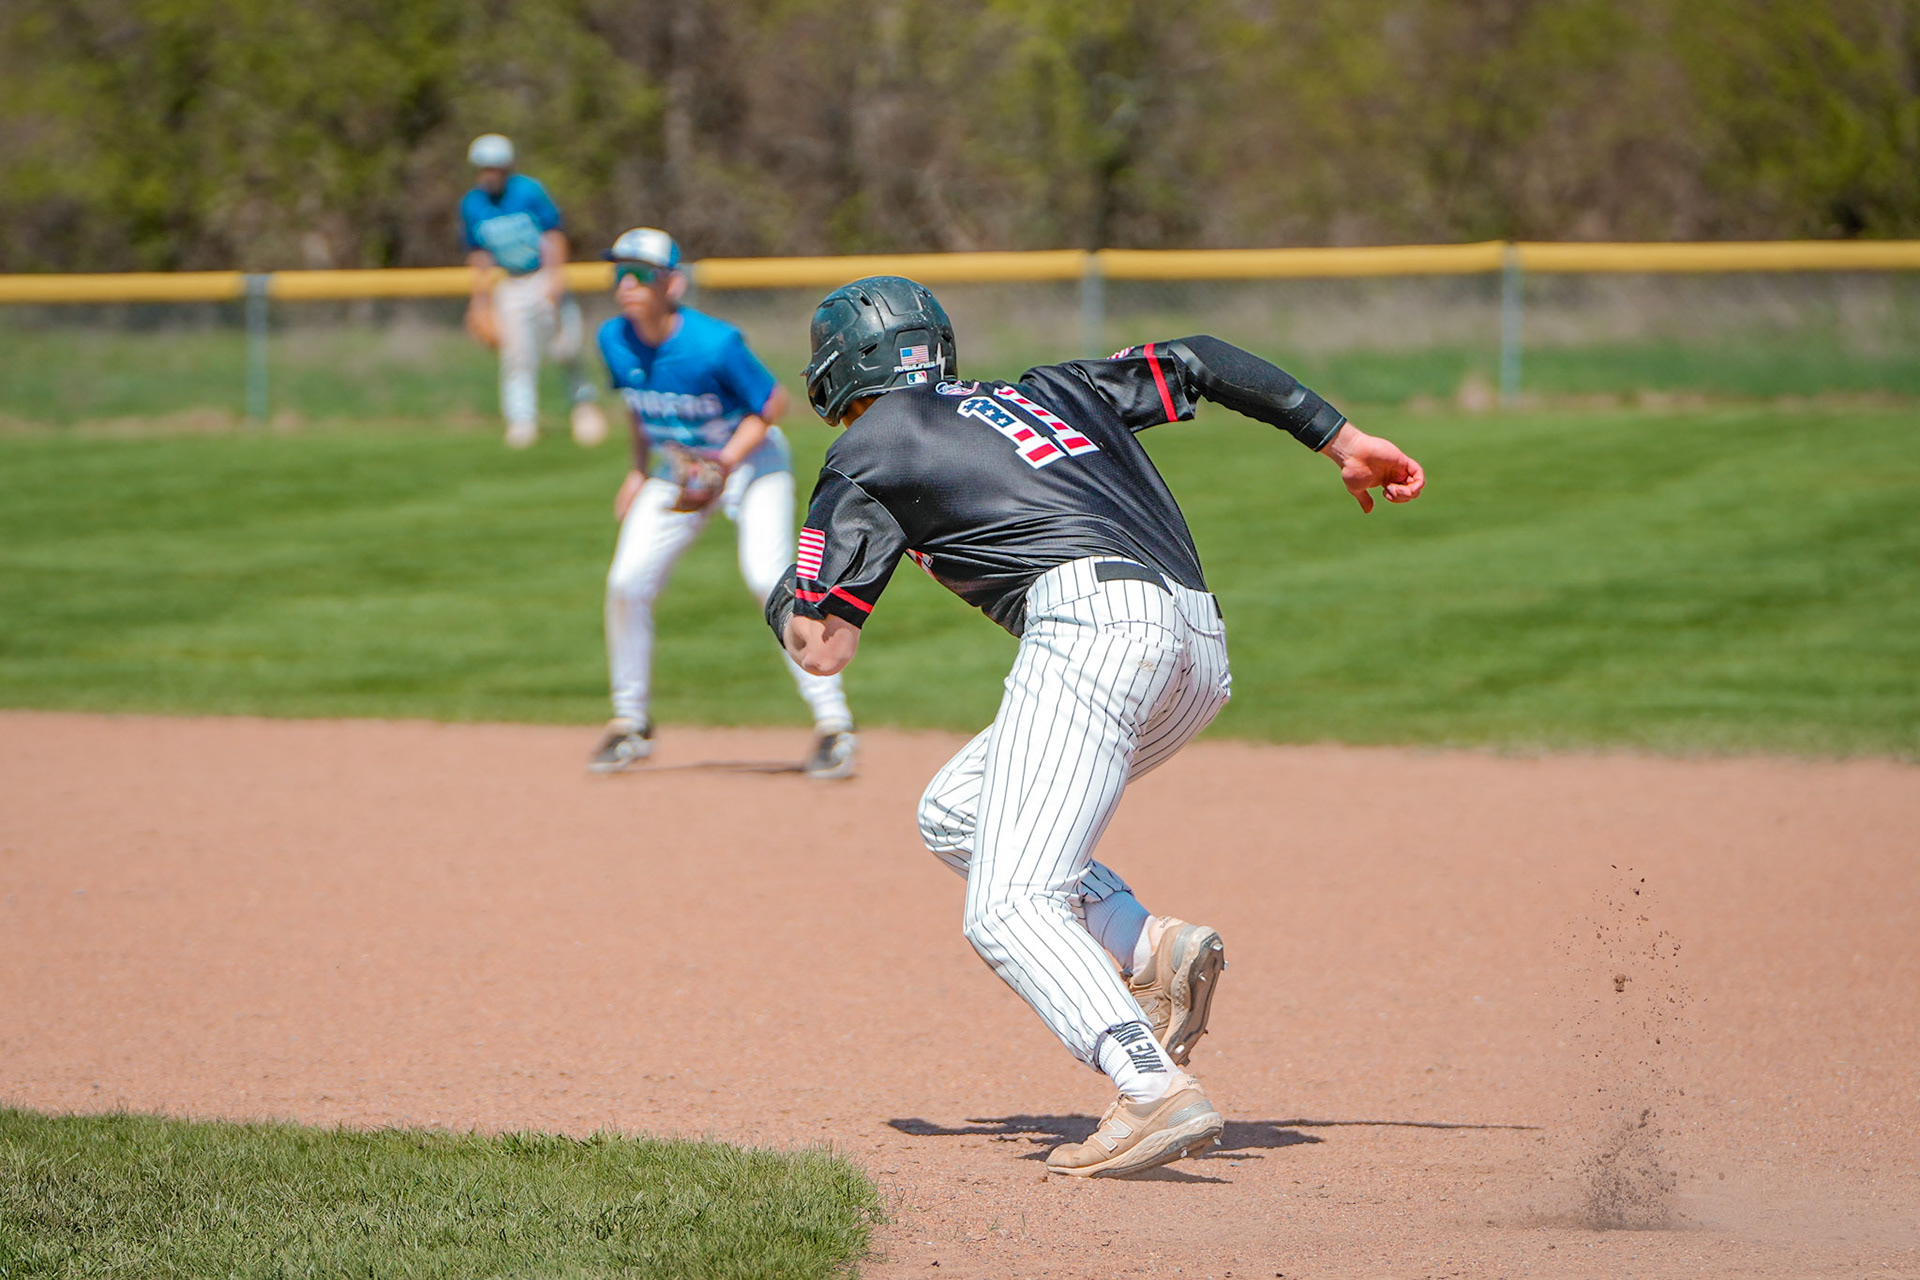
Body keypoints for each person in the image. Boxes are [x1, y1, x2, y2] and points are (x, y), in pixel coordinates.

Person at [767, 276, 1425, 1177]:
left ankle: (1150, 1087)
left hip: (1095, 634)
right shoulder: (1050, 390)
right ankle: (1149, 946)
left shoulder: (871, 445)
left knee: (1009, 905)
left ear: (842, 372)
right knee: (956, 812)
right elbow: (1202, 358)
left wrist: (788, 594)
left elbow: (822, 646)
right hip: (1196, 649)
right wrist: (1342, 440)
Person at [589, 228, 857, 778]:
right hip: (678, 471)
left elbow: (772, 404)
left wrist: (724, 465)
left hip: (751, 462)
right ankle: (630, 723)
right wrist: (637, 472)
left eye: (639, 273)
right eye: (618, 273)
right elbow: (638, 408)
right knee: (626, 583)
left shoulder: (714, 344)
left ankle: (834, 726)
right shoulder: (614, 339)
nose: (626, 284)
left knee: (766, 577)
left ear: (673, 283)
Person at [459, 133, 607, 450]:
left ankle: (583, 407)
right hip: (510, 282)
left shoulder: (528, 191)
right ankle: (522, 420)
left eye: (494, 167)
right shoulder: (473, 204)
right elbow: (479, 254)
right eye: (483, 168)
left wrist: (555, 277)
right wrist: (480, 302)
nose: (488, 174)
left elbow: (553, 233)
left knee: (566, 346)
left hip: (542, 275)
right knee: (516, 355)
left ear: (506, 167)